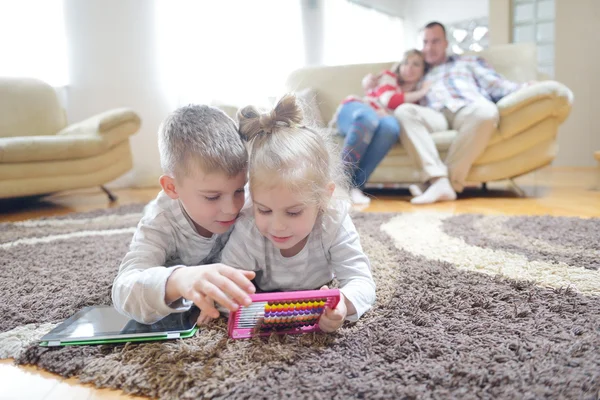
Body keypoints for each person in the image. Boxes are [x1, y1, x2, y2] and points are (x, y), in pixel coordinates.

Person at [210, 94, 376, 333]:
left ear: (323, 198)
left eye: (294, 212)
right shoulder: (249, 226)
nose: (277, 226)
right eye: (264, 209)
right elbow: (224, 288)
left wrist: (343, 304)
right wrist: (237, 302)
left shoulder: (333, 219)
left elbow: (362, 281)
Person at [112, 105, 257, 324]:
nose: (232, 208)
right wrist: (179, 279)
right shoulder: (160, 222)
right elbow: (123, 291)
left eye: (239, 190)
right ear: (172, 188)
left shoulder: (249, 205)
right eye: (212, 197)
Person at [395, 21, 526, 204]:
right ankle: (438, 180)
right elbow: (394, 86)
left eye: (435, 41)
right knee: (404, 111)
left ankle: (444, 183)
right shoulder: (418, 69)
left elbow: (497, 85)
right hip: (435, 114)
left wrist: (526, 88)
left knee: (487, 112)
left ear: (446, 44)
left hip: (467, 108)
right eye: (425, 42)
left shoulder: (468, 61)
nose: (429, 47)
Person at [334, 49, 430, 205]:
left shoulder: (417, 100)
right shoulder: (389, 77)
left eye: (416, 64)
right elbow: (389, 100)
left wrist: (422, 93)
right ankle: (339, 184)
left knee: (391, 128)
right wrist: (422, 92)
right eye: (405, 63)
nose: (409, 68)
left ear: (424, 70)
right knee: (368, 118)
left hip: (381, 120)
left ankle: (355, 186)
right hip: (357, 109)